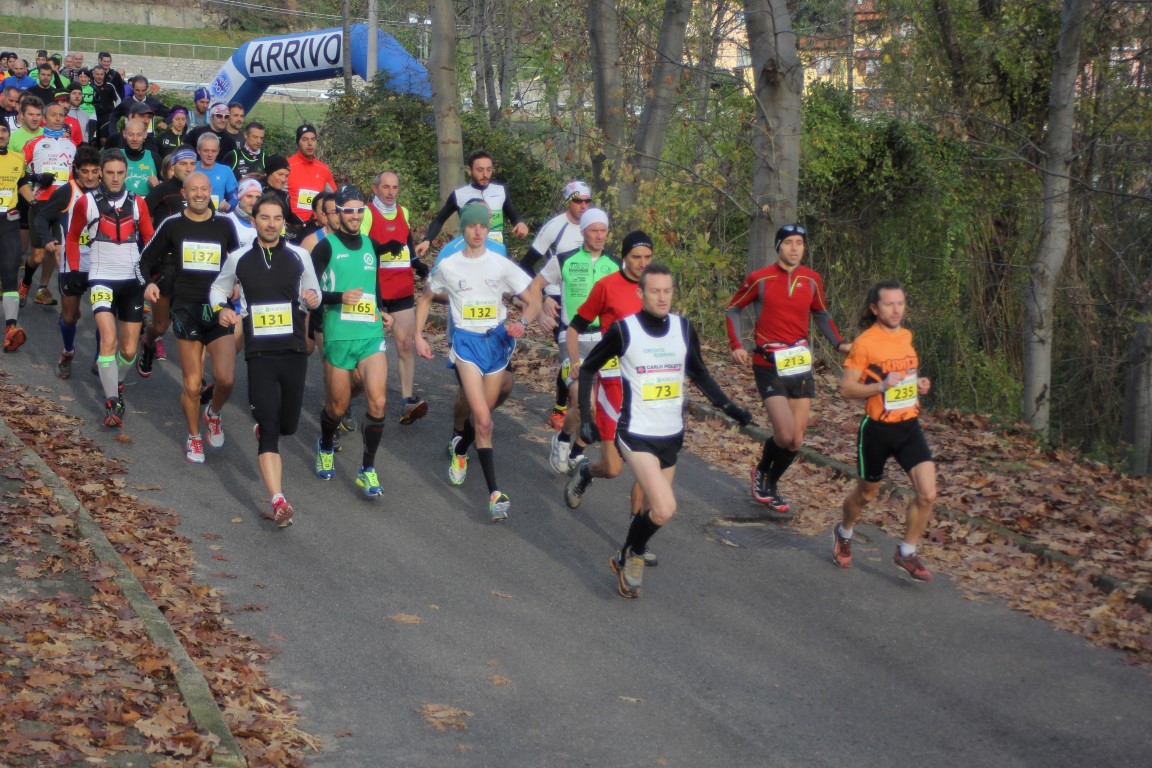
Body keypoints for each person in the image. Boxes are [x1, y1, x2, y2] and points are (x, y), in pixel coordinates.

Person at [578, 263, 751, 599]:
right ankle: (636, 556)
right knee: (666, 508)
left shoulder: (682, 328)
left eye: (667, 290)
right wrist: (587, 416)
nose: (662, 297)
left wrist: (729, 407)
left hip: (671, 436)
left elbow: (699, 373)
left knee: (651, 510)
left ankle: (625, 555)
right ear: (640, 293)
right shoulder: (624, 330)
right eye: (654, 290)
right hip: (636, 434)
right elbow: (588, 368)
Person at [415, 201, 540, 521]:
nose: (478, 231)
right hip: (466, 345)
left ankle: (460, 449)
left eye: (483, 226)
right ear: (463, 229)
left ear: (487, 228)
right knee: (484, 420)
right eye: (472, 226)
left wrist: (522, 323)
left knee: (484, 411)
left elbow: (532, 298)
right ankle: (494, 494)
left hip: (497, 343)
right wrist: (418, 335)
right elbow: (427, 295)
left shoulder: (500, 263)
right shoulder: (450, 264)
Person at [209, 193, 322, 528]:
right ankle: (278, 498)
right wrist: (223, 309)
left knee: (288, 424)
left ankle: (268, 424)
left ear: (284, 222)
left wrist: (312, 299)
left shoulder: (301, 256)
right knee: (271, 430)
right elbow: (218, 289)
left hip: (293, 351)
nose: (271, 224)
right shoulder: (239, 258)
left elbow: (313, 295)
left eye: (277, 218)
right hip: (259, 353)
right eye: (264, 218)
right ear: (254, 220)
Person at [725, 223, 850, 517]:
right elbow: (733, 309)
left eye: (800, 243)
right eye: (789, 242)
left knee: (796, 439)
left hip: (799, 365)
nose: (795, 248)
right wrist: (737, 344)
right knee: (783, 434)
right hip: (768, 364)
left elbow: (821, 313)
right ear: (778, 246)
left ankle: (772, 481)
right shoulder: (760, 278)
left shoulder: (812, 279)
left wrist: (839, 343)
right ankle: (761, 472)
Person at [834, 279, 937, 582]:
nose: (896, 309)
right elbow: (847, 389)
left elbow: (901, 377)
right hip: (877, 431)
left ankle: (906, 551)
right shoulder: (865, 343)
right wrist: (880, 386)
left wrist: (918, 385)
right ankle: (844, 531)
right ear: (874, 308)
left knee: (928, 494)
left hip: (908, 426)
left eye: (900, 303)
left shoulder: (906, 335)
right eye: (889, 304)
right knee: (867, 495)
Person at [562, 230, 655, 559]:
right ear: (624, 257)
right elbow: (574, 326)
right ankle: (588, 470)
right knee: (614, 469)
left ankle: (635, 540)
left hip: (646, 388)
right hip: (612, 385)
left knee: (647, 465)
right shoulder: (607, 286)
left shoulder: (656, 289)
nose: (642, 264)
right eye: (635, 257)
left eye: (647, 258)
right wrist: (575, 362)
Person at [139, 171, 240, 463]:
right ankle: (194, 437)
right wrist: (150, 283)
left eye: (204, 189)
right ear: (184, 193)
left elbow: (237, 262)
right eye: (193, 189)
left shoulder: (225, 225)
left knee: (226, 380)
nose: (199, 194)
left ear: (211, 192)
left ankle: (214, 412)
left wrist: (238, 283)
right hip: (185, 309)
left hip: (218, 308)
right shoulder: (172, 224)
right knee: (193, 383)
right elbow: (144, 260)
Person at [310, 186, 402, 497]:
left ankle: (367, 469)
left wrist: (382, 311)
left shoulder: (371, 246)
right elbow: (308, 293)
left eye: (359, 210)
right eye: (347, 210)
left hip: (370, 334)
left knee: (379, 401)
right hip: (339, 335)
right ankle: (324, 442)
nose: (353, 215)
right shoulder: (325, 248)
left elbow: (372, 286)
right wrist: (338, 297)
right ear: (336, 213)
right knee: (337, 406)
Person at [64, 149, 155, 427]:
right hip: (101, 277)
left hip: (131, 282)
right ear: (101, 173)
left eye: (120, 173)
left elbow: (151, 240)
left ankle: (117, 384)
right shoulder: (86, 203)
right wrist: (75, 270)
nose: (115, 178)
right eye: (110, 173)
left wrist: (153, 278)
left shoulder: (138, 202)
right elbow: (71, 237)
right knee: (108, 340)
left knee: (128, 351)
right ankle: (112, 402)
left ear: (126, 173)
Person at [530, 207, 620, 475]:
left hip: (606, 340)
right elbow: (535, 285)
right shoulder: (565, 259)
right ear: (583, 232)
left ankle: (578, 451)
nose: (600, 236)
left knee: (603, 405)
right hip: (572, 336)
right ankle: (563, 439)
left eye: (603, 230)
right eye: (594, 230)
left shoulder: (616, 264)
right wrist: (538, 314)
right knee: (582, 402)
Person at [521, 180, 593, 429]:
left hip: (586, 297)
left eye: (587, 201)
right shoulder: (555, 228)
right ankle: (561, 408)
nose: (583, 206)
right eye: (577, 201)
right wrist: (543, 300)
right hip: (557, 298)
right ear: (567, 202)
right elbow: (525, 265)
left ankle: (582, 403)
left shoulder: (593, 227)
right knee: (570, 354)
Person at [360, 170, 429, 424]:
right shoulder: (367, 213)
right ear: (375, 188)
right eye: (386, 187)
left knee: (405, 344)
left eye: (395, 188)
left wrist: (418, 265)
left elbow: (408, 245)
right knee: (367, 348)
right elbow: (361, 247)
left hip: (401, 288)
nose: (390, 192)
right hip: (374, 290)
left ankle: (407, 401)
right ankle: (360, 395)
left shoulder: (404, 213)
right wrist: (382, 249)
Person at [33, 144, 102, 376]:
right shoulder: (67, 191)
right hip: (70, 263)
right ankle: (68, 351)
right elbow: (42, 218)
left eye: (94, 171)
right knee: (70, 317)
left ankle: (100, 357)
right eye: (85, 171)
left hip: (100, 264)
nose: (90, 177)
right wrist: (47, 239)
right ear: (76, 170)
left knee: (104, 314)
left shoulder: (106, 193)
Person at [414, 149, 528, 257]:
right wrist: (427, 240)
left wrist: (520, 223)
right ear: (469, 170)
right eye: (480, 170)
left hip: (497, 253)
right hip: (471, 254)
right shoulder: (459, 195)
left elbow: (514, 215)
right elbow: (440, 219)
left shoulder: (500, 191)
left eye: (489, 169)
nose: (485, 174)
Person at [20, 101, 78, 308]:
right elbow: (18, 172)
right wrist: (36, 177)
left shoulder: (72, 146)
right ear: (45, 118)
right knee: (37, 255)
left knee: (56, 251)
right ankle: (26, 283)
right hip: (40, 205)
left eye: (61, 115)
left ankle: (42, 289)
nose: (57, 119)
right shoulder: (34, 143)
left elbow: (76, 177)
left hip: (64, 206)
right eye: (53, 115)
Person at [0, 122, 28, 352]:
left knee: (10, 273)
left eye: (3, 130)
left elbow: (22, 185)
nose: (0, 135)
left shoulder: (18, 159)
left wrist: (38, 203)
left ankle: (11, 329)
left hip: (8, 222)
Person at [286, 124, 335, 225]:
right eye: (305, 139)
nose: (310, 143)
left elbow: (334, 198)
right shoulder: (287, 166)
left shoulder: (324, 169)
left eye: (313, 139)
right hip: (292, 226)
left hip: (317, 225)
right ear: (298, 143)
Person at [194, 133, 236, 212]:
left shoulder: (226, 170)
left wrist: (228, 205)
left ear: (218, 151)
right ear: (198, 150)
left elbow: (235, 197)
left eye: (214, 151)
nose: (210, 155)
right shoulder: (191, 168)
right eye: (206, 151)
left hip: (216, 217)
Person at [223, 177, 263, 251]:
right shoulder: (227, 220)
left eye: (257, 197)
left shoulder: (266, 223)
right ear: (240, 197)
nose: (253, 202)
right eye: (249, 196)